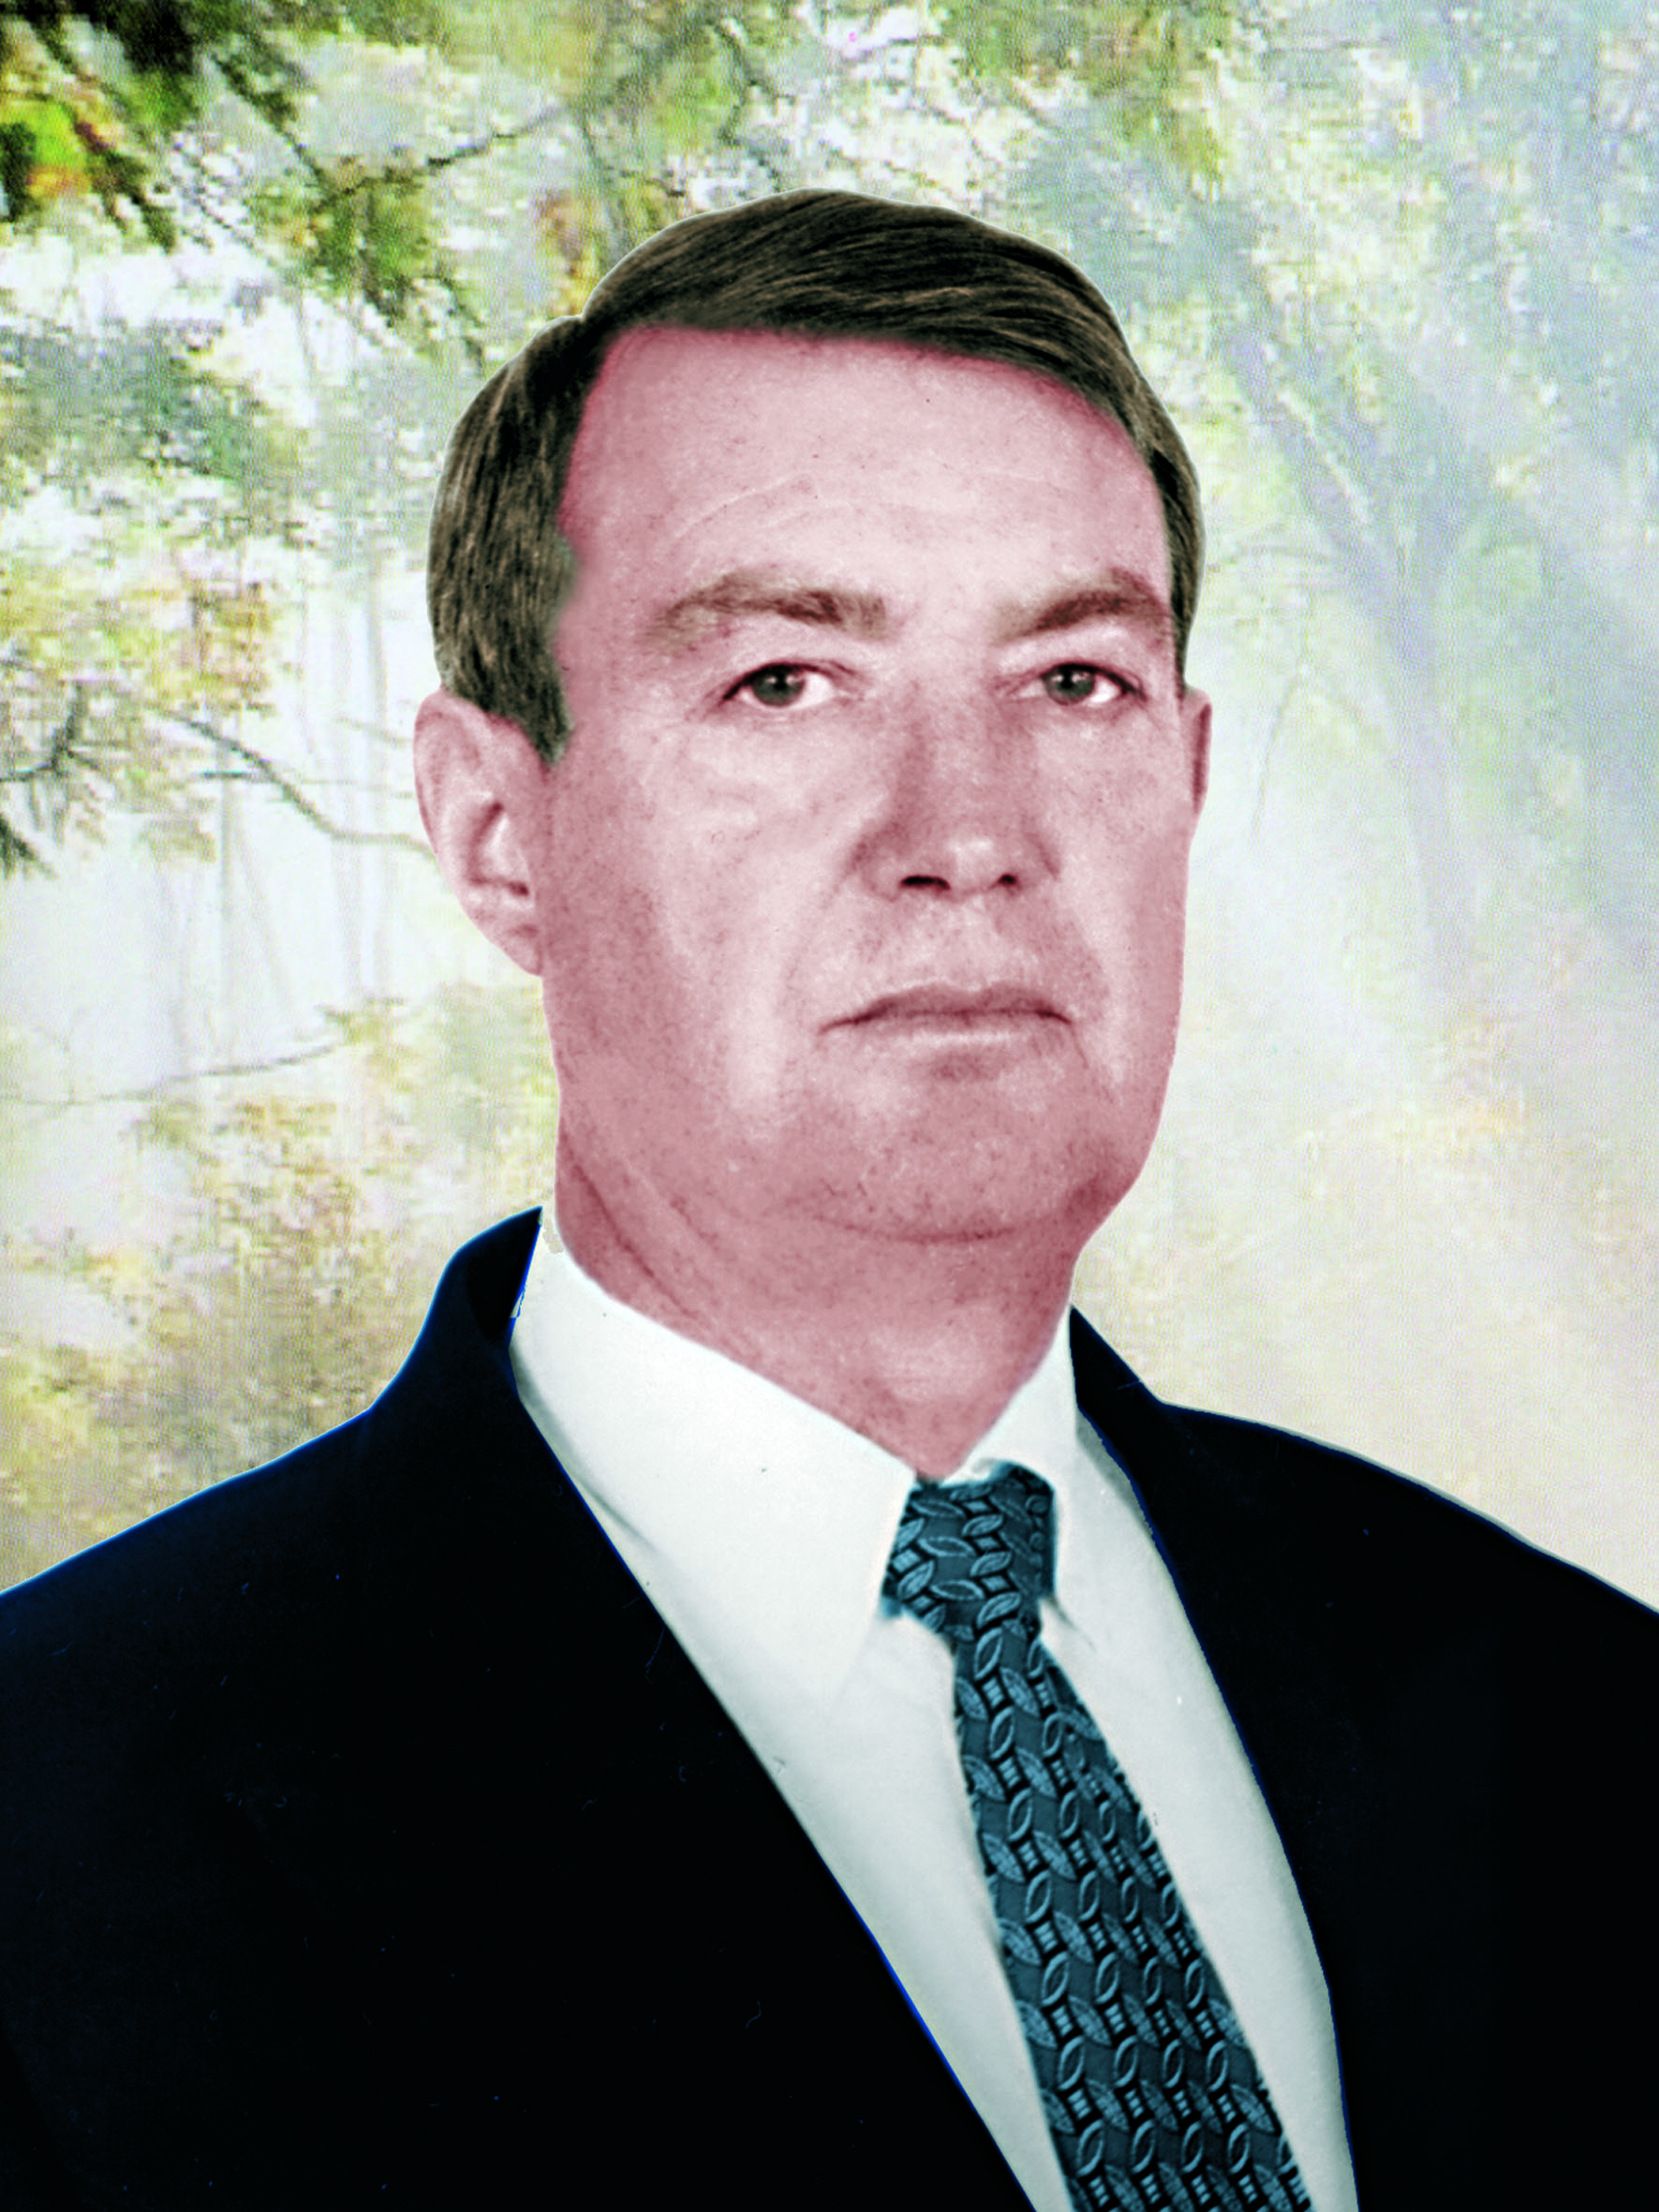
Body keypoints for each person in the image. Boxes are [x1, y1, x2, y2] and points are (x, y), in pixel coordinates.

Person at [0, 191, 1653, 2212]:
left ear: (1187, 777)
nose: (968, 832)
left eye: (1074, 681)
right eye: (786, 679)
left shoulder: (1574, 1707)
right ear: (497, 829)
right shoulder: (61, 1828)